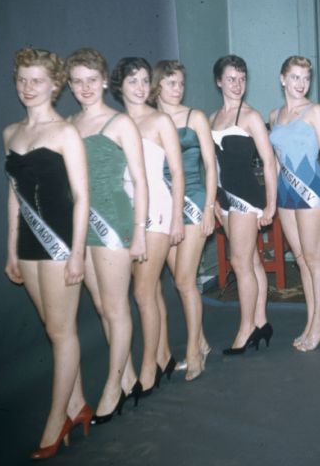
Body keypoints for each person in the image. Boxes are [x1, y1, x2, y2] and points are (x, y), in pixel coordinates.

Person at [4, 48, 90, 459]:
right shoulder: (11, 134)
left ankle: (56, 420)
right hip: (28, 245)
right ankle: (77, 405)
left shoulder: (65, 133)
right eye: (22, 79)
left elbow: (82, 197)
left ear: (55, 86)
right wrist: (10, 250)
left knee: (61, 331)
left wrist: (76, 254)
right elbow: (14, 197)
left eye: (36, 80)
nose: (28, 87)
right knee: (53, 328)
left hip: (59, 242)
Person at [66, 48, 148, 423]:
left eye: (90, 79)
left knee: (116, 307)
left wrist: (141, 234)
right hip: (82, 226)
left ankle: (112, 388)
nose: (84, 87)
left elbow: (141, 181)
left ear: (102, 81)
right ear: (69, 84)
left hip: (114, 221)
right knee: (101, 306)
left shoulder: (120, 123)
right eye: (76, 80)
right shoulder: (68, 124)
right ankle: (128, 375)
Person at [110, 58, 185, 392]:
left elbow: (178, 173)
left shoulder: (160, 121)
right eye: (133, 81)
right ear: (120, 87)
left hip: (158, 211)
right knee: (150, 289)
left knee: (142, 291)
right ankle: (164, 355)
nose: (141, 88)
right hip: (127, 214)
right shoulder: (116, 123)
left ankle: (148, 370)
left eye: (144, 81)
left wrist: (178, 218)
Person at [152, 60, 216, 380]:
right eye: (171, 83)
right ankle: (200, 342)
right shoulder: (150, 120)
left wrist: (208, 209)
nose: (178, 89)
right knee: (180, 279)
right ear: (157, 86)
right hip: (164, 207)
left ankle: (193, 353)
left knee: (184, 281)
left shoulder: (196, 117)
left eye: (180, 83)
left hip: (193, 204)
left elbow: (211, 166)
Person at [210, 55, 277, 354]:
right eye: (232, 78)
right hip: (225, 199)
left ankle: (246, 327)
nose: (238, 84)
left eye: (242, 78)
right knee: (250, 261)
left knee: (240, 263)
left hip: (247, 199)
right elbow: (213, 164)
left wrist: (271, 205)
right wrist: (214, 199)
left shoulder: (250, 116)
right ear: (219, 81)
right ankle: (261, 321)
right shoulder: (213, 117)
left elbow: (270, 162)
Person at [269, 56, 320, 351]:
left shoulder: (315, 111)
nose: (301, 84)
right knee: (300, 260)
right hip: (286, 194)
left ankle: (319, 323)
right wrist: (272, 200)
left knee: (314, 259)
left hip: (311, 192)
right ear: (283, 79)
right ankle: (313, 320)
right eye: (295, 77)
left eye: (306, 78)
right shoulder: (274, 115)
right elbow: (274, 161)